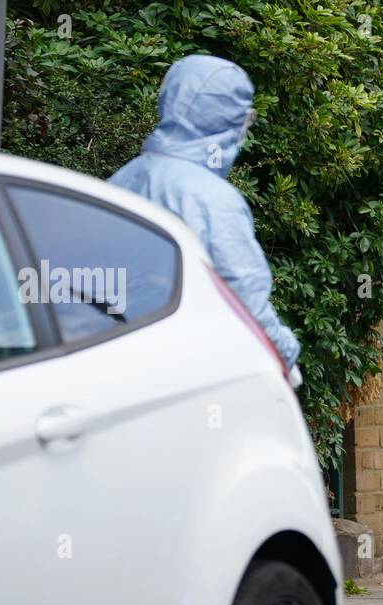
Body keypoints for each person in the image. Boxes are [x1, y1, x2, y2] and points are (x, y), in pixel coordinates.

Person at [110, 55, 300, 381]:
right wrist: (286, 355)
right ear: (227, 120)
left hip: (121, 367)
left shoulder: (120, 182)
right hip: (185, 375)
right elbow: (246, 302)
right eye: (245, 119)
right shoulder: (212, 200)